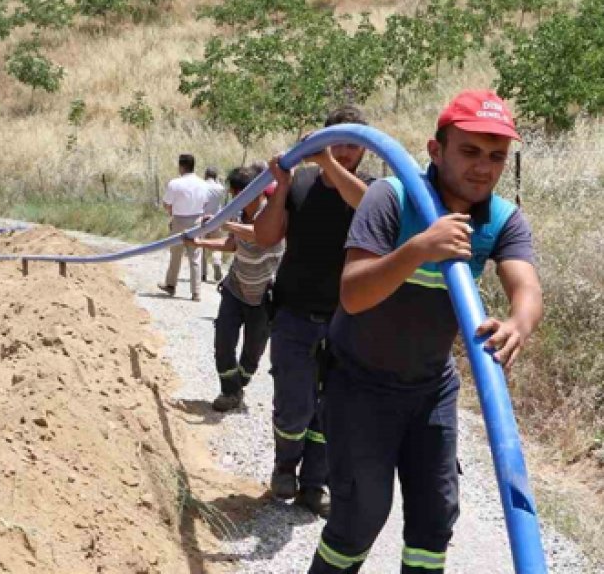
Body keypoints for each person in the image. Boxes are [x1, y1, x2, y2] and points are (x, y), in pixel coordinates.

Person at [308, 90, 543, 573]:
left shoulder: (501, 219)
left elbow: (527, 287)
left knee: (435, 520)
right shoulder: (389, 197)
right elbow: (353, 294)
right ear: (436, 151)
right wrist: (418, 249)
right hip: (359, 385)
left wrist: (519, 321)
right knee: (359, 517)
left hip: (430, 390)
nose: (484, 168)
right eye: (470, 151)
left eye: (497, 157)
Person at [253, 105, 373, 517]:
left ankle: (315, 484)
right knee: (294, 403)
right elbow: (266, 237)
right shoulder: (301, 183)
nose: (343, 151)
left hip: (347, 322)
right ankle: (285, 465)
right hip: (293, 315)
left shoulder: (374, 191)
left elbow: (364, 204)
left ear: (366, 150)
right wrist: (282, 187)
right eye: (335, 141)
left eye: (352, 144)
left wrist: (325, 161)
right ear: (322, 140)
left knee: (332, 409)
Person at [186, 166, 284, 413]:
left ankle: (238, 386)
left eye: (236, 194)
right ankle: (230, 392)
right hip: (236, 288)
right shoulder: (239, 215)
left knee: (252, 352)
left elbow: (259, 235)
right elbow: (233, 244)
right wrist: (200, 241)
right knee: (223, 342)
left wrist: (223, 222)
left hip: (263, 295)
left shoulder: (272, 213)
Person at [159, 153, 209, 300]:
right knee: (195, 256)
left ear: (181, 166)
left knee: (176, 254)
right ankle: (196, 292)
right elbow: (205, 203)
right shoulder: (203, 184)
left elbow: (167, 204)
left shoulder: (175, 183)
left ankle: (171, 284)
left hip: (179, 219)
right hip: (196, 220)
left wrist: (172, 214)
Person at [200, 167, 227, 283]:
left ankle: (203, 274)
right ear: (215, 176)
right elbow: (224, 201)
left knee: (201, 246)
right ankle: (216, 262)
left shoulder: (200, 186)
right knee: (217, 245)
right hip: (217, 219)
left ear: (206, 175)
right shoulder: (221, 188)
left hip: (202, 220)